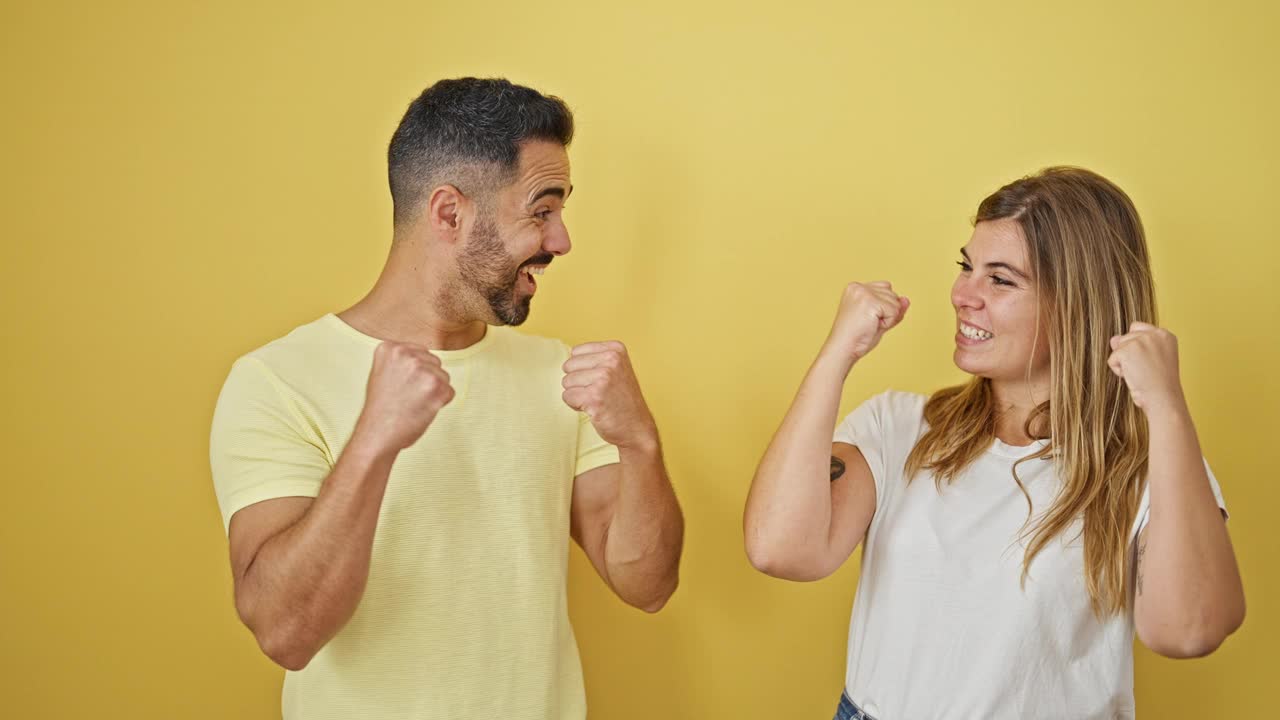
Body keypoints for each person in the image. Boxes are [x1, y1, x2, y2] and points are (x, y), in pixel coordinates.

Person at [209, 77, 683, 720]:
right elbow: (285, 633)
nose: (562, 240)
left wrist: (640, 441)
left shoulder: (559, 375)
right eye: (541, 210)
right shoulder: (276, 380)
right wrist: (375, 438)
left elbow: (646, 584)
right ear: (449, 213)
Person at [743, 167, 1244, 719]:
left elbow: (1189, 630)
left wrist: (1167, 410)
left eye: (1000, 279)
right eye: (966, 267)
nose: (963, 295)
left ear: (1079, 303)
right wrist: (837, 353)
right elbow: (780, 549)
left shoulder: (1152, 470)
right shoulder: (899, 427)